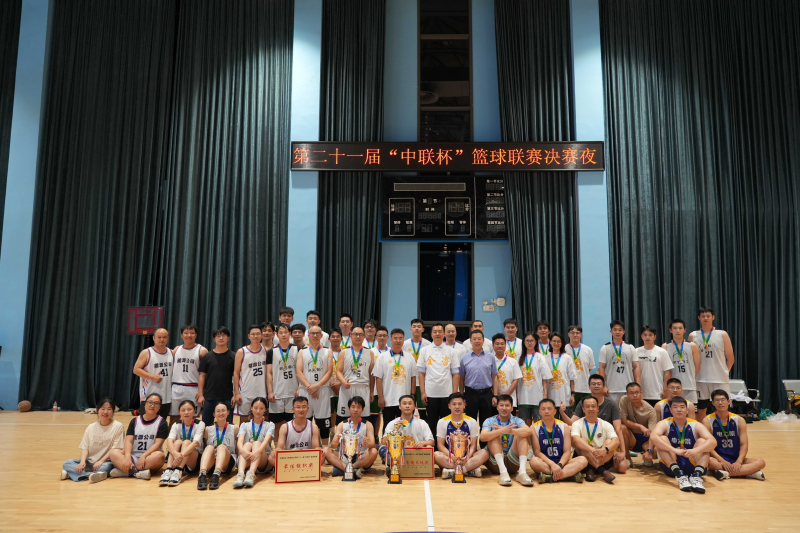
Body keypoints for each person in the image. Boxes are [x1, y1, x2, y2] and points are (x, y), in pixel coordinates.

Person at [650, 396, 715, 493]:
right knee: (662, 439)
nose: (679, 409)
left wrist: (696, 450)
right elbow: (653, 437)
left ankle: (696, 476)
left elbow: (713, 442)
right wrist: (674, 450)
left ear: (687, 410)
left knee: (703, 442)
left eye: (682, 407)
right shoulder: (664, 423)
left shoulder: (696, 424)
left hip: (691, 462)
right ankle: (679, 475)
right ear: (671, 410)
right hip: (672, 464)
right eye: (675, 407)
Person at [563, 374, 627, 469]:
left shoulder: (612, 404)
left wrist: (622, 452)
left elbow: (618, 429)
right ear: (589, 387)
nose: (596, 386)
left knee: (623, 467)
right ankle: (597, 468)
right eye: (593, 384)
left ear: (604, 386)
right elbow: (571, 423)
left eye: (598, 384)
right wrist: (562, 413)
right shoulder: (583, 402)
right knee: (568, 429)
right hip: (587, 443)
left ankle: (593, 467)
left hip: (605, 441)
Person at [703, 389, 766, 481]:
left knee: (760, 462)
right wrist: (721, 460)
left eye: (723, 400)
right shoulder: (707, 421)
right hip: (718, 459)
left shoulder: (739, 420)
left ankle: (723, 473)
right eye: (717, 400)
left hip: (736, 458)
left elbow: (744, 444)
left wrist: (739, 461)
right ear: (713, 403)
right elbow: (708, 446)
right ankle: (749, 472)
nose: (720, 403)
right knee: (709, 461)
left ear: (728, 401)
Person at [61, 397, 124, 483]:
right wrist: (82, 462)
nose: (105, 412)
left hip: (105, 462)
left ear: (113, 411)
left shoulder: (118, 426)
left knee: (107, 467)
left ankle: (72, 474)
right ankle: (92, 475)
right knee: (67, 463)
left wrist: (101, 461)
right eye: (103, 409)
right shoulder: (91, 427)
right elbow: (85, 447)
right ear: (97, 410)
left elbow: (115, 449)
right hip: (89, 462)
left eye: (109, 409)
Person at [688, 307, 735, 419]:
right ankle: (701, 430)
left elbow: (730, 358)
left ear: (713, 317)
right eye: (703, 316)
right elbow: (690, 359)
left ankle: (723, 429)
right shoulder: (693, 335)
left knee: (722, 408)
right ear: (699, 318)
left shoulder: (722, 334)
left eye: (708, 316)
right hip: (699, 379)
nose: (706, 318)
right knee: (700, 410)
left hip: (719, 379)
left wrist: (724, 372)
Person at [109, 393, 168, 480]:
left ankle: (127, 471)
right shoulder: (135, 421)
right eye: (150, 402)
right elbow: (128, 441)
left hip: (149, 458)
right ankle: (138, 473)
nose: (152, 405)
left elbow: (157, 444)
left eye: (156, 403)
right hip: (133, 457)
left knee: (160, 456)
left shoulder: (162, 422)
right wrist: (127, 457)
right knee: (113, 452)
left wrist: (143, 456)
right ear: (145, 404)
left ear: (159, 407)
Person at [479, 394, 533, 486]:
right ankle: (503, 472)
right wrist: (500, 431)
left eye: (507, 405)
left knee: (522, 435)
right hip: (495, 463)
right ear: (497, 407)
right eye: (501, 405)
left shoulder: (516, 420)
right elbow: (483, 437)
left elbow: (528, 431)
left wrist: (510, 431)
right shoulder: (490, 420)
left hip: (512, 460)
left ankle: (522, 472)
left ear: (512, 408)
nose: (504, 408)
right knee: (494, 434)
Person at [529, 399, 587, 483]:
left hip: (563, 463)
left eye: (549, 409)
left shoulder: (564, 426)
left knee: (583, 460)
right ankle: (568, 476)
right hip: (546, 463)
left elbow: (567, 451)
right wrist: (552, 464)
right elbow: (537, 452)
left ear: (555, 411)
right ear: (539, 412)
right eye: (543, 409)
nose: (546, 411)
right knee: (533, 461)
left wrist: (559, 465)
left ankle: (550, 477)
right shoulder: (534, 427)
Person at [434, 392, 490, 479]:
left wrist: (467, 457)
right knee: (435, 455)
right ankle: (469, 470)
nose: (457, 407)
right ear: (449, 406)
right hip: (450, 458)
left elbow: (473, 445)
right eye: (454, 404)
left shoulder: (472, 421)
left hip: (467, 459)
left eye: (460, 404)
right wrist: (453, 457)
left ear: (464, 405)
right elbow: (440, 445)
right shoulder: (442, 422)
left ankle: (454, 471)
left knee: (485, 453)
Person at [570, 396, 625, 483]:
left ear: (597, 409)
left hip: (602, 457)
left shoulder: (606, 424)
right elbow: (575, 440)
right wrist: (592, 450)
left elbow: (616, 441)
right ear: (583, 409)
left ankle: (591, 469)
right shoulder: (577, 424)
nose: (590, 409)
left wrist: (604, 450)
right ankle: (601, 470)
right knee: (581, 443)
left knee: (609, 442)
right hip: (585, 456)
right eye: (587, 406)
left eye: (593, 406)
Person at [373, 328, 418, 433]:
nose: (398, 340)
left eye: (400, 338)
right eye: (395, 338)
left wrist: (413, 395)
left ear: (403, 340)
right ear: (391, 340)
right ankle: (386, 443)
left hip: (405, 400)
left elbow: (413, 377)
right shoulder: (382, 357)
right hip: (388, 399)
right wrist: (380, 397)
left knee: (406, 426)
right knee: (388, 425)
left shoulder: (410, 357)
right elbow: (378, 378)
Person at [378, 394, 435, 475]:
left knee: (429, 447)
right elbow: (383, 442)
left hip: (416, 454)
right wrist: (395, 430)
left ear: (414, 406)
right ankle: (395, 466)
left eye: (410, 403)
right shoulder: (393, 423)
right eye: (404, 403)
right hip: (398, 454)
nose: (407, 406)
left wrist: (423, 443)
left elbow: (432, 442)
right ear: (399, 406)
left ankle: (395, 467)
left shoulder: (422, 423)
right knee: (382, 449)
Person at [296, 325, 334, 446]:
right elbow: (298, 372)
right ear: (308, 335)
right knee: (303, 420)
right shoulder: (302, 352)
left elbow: (329, 372)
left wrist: (316, 386)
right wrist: (310, 387)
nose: (315, 335)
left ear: (322, 336)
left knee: (323, 423)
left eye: (318, 333)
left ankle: (325, 449)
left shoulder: (328, 351)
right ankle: (305, 447)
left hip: (322, 390)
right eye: (313, 333)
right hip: (305, 391)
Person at [419, 323, 459, 435]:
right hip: (430, 393)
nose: (437, 334)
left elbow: (455, 374)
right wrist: (423, 392)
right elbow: (421, 373)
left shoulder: (451, 351)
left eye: (440, 331)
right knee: (432, 422)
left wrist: (454, 394)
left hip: (447, 393)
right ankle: (434, 444)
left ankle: (446, 444)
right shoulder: (424, 350)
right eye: (435, 331)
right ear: (431, 334)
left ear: (444, 334)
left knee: (446, 422)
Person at [326, 396, 379, 478]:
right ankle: (352, 470)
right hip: (344, 456)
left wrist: (368, 443)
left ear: (362, 410)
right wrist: (335, 442)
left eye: (358, 407)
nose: (355, 409)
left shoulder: (368, 424)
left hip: (361, 457)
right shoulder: (342, 424)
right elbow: (333, 446)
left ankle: (347, 468)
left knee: (374, 452)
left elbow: (372, 444)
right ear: (349, 409)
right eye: (353, 407)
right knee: (326, 450)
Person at [160, 400, 205, 486]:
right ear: (179, 412)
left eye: (189, 409)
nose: (186, 412)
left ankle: (178, 471)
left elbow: (195, 443)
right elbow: (169, 442)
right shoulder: (176, 425)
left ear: (195, 411)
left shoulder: (200, 424)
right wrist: (175, 454)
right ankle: (168, 470)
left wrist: (180, 456)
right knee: (177, 442)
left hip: (194, 460)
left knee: (187, 442)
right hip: (178, 459)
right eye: (183, 410)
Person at [268, 396, 321, 468]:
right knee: (271, 458)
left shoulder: (313, 427)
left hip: (307, 458)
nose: (301, 410)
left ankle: (295, 470)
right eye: (298, 407)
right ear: (293, 409)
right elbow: (280, 447)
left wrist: (319, 450)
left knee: (322, 456)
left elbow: (315, 448)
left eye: (304, 407)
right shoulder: (285, 427)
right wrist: (276, 451)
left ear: (308, 409)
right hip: (290, 459)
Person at [233, 397, 275, 488]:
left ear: (265, 410)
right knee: (247, 444)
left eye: (261, 408)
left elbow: (266, 441)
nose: (258, 411)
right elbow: (240, 441)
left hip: (263, 460)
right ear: (251, 408)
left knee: (257, 443)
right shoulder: (244, 424)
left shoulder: (270, 424)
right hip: (247, 458)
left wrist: (257, 452)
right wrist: (243, 451)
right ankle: (240, 474)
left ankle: (251, 474)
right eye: (255, 408)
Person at [170, 324, 207, 425]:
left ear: (196, 335)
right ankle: (172, 436)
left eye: (192, 333)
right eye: (186, 333)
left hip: (193, 388)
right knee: (174, 418)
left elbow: (204, 374)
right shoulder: (176, 349)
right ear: (181, 335)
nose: (189, 335)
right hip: (176, 387)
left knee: (192, 419)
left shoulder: (202, 350)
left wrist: (201, 391)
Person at [459, 330, 499, 424]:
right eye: (474, 339)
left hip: (486, 393)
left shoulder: (490, 357)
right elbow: (461, 378)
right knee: (470, 421)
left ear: (483, 340)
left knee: (486, 422)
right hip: (470, 393)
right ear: (470, 341)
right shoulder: (464, 358)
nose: (477, 341)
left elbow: (494, 377)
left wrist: (495, 395)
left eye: (479, 339)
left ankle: (484, 435)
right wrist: (462, 396)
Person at [197, 326, 235, 425]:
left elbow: (237, 377)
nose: (221, 338)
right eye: (218, 336)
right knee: (206, 425)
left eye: (223, 335)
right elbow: (202, 376)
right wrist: (200, 395)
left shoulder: (233, 356)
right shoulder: (207, 357)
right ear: (214, 339)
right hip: (209, 396)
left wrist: (235, 394)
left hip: (227, 396)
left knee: (227, 426)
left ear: (228, 338)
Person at [267, 323, 300, 438]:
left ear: (290, 334)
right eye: (280, 332)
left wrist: (300, 388)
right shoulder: (271, 351)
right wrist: (270, 391)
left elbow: (302, 371)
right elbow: (269, 373)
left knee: (292, 423)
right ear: (276, 335)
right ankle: (277, 445)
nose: (283, 335)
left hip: (293, 393)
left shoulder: (297, 349)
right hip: (277, 393)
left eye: (286, 332)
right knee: (276, 424)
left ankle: (290, 445)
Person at [197, 401, 238, 490]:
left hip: (228, 462)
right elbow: (207, 445)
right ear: (214, 414)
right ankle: (202, 475)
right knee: (209, 447)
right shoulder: (208, 429)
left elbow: (237, 448)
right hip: (213, 461)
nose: (221, 413)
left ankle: (216, 475)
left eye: (223, 410)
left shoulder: (234, 428)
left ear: (228, 412)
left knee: (221, 447)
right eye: (218, 411)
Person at [335, 326, 374, 419]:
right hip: (347, 388)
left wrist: (372, 391)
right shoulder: (344, 352)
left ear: (364, 337)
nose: (358, 336)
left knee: (363, 418)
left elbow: (371, 374)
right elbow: (338, 371)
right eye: (355, 334)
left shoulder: (370, 353)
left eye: (360, 334)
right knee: (344, 417)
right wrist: (344, 382)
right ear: (351, 336)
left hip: (363, 388)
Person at [232, 324, 267, 425]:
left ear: (261, 335)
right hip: (245, 392)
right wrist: (236, 393)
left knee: (261, 420)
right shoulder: (242, 351)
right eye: (253, 334)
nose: (255, 336)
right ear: (248, 336)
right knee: (243, 421)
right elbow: (236, 373)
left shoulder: (265, 350)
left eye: (258, 334)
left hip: (261, 392)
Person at [133, 328, 173, 419]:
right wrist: (152, 377)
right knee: (146, 422)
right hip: (149, 395)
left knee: (161, 423)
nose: (162, 339)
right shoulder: (147, 352)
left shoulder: (171, 352)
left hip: (166, 396)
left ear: (168, 338)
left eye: (164, 337)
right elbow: (136, 370)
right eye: (159, 337)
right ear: (154, 338)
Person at [598, 320, 641, 403]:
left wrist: (638, 385)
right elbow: (602, 368)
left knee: (628, 411)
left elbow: (636, 367)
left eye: (620, 330)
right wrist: (603, 386)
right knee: (613, 411)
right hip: (611, 389)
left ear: (623, 332)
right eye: (615, 329)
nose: (617, 332)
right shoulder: (605, 348)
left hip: (629, 388)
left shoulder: (630, 347)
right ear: (611, 331)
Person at [517, 332, 553, 426]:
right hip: (523, 396)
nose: (529, 343)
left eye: (531, 341)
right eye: (527, 341)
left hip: (537, 396)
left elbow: (545, 378)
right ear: (524, 342)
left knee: (538, 424)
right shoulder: (520, 358)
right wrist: (516, 395)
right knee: (525, 424)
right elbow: (516, 379)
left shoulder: (540, 357)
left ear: (535, 342)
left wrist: (545, 394)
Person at [618, 383, 657, 467]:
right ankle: (627, 458)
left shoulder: (651, 410)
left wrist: (649, 451)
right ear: (627, 394)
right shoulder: (624, 400)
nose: (634, 395)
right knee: (622, 427)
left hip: (645, 439)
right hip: (631, 437)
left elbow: (653, 434)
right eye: (631, 393)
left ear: (641, 393)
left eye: (637, 392)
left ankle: (647, 458)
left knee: (655, 453)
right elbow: (623, 420)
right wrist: (640, 426)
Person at [662, 318, 700, 404]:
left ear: (684, 330)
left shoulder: (692, 346)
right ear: (670, 330)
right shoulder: (665, 346)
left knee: (691, 410)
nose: (678, 331)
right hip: (672, 388)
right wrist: (665, 388)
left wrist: (690, 377)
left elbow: (697, 365)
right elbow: (664, 369)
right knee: (674, 410)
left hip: (689, 386)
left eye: (680, 328)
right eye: (675, 328)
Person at [635, 325, 672, 405]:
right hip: (641, 394)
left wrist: (665, 389)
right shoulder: (636, 351)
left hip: (657, 393)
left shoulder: (661, 352)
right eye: (645, 335)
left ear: (654, 337)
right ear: (641, 336)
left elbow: (667, 371)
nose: (647, 337)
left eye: (650, 335)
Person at [543, 332, 577, 419]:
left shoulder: (567, 358)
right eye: (554, 341)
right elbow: (544, 379)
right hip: (550, 397)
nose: (556, 343)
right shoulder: (545, 358)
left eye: (559, 341)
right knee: (551, 422)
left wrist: (573, 395)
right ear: (550, 342)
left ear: (562, 343)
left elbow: (572, 378)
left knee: (566, 422)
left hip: (565, 397)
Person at [404, 318, 431, 420]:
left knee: (423, 409)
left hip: (422, 382)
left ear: (423, 329)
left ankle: (424, 427)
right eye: (414, 326)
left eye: (419, 327)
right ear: (410, 329)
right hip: (408, 381)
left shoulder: (428, 344)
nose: (416, 328)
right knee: (408, 408)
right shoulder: (405, 344)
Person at [490, 334, 522, 414]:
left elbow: (516, 379)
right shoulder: (489, 362)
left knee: (510, 420)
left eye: (502, 344)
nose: (499, 346)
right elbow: (487, 379)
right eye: (497, 344)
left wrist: (507, 393)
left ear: (505, 346)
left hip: (510, 398)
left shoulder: (513, 361)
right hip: (494, 399)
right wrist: (494, 394)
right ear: (493, 346)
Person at [567, 325, 595, 407]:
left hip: (584, 388)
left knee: (585, 411)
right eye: (572, 333)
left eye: (577, 333)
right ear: (568, 334)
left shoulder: (588, 350)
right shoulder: (564, 349)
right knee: (570, 413)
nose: (575, 335)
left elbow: (590, 368)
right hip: (568, 389)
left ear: (581, 335)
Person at [367, 321, 388, 431]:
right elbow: (369, 372)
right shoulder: (371, 352)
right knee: (374, 414)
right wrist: (371, 391)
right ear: (376, 337)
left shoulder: (392, 351)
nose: (382, 338)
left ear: (388, 337)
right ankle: (374, 436)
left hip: (389, 388)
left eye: (384, 336)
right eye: (380, 335)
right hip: (375, 388)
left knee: (387, 415)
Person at [328, 328, 344, 427]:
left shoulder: (346, 353)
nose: (335, 338)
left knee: (340, 413)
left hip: (342, 387)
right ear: (329, 339)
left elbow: (349, 371)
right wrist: (331, 383)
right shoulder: (325, 352)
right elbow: (323, 370)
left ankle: (339, 433)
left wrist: (340, 384)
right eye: (333, 336)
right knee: (329, 413)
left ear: (341, 339)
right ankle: (331, 432)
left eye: (338, 336)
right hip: (328, 387)